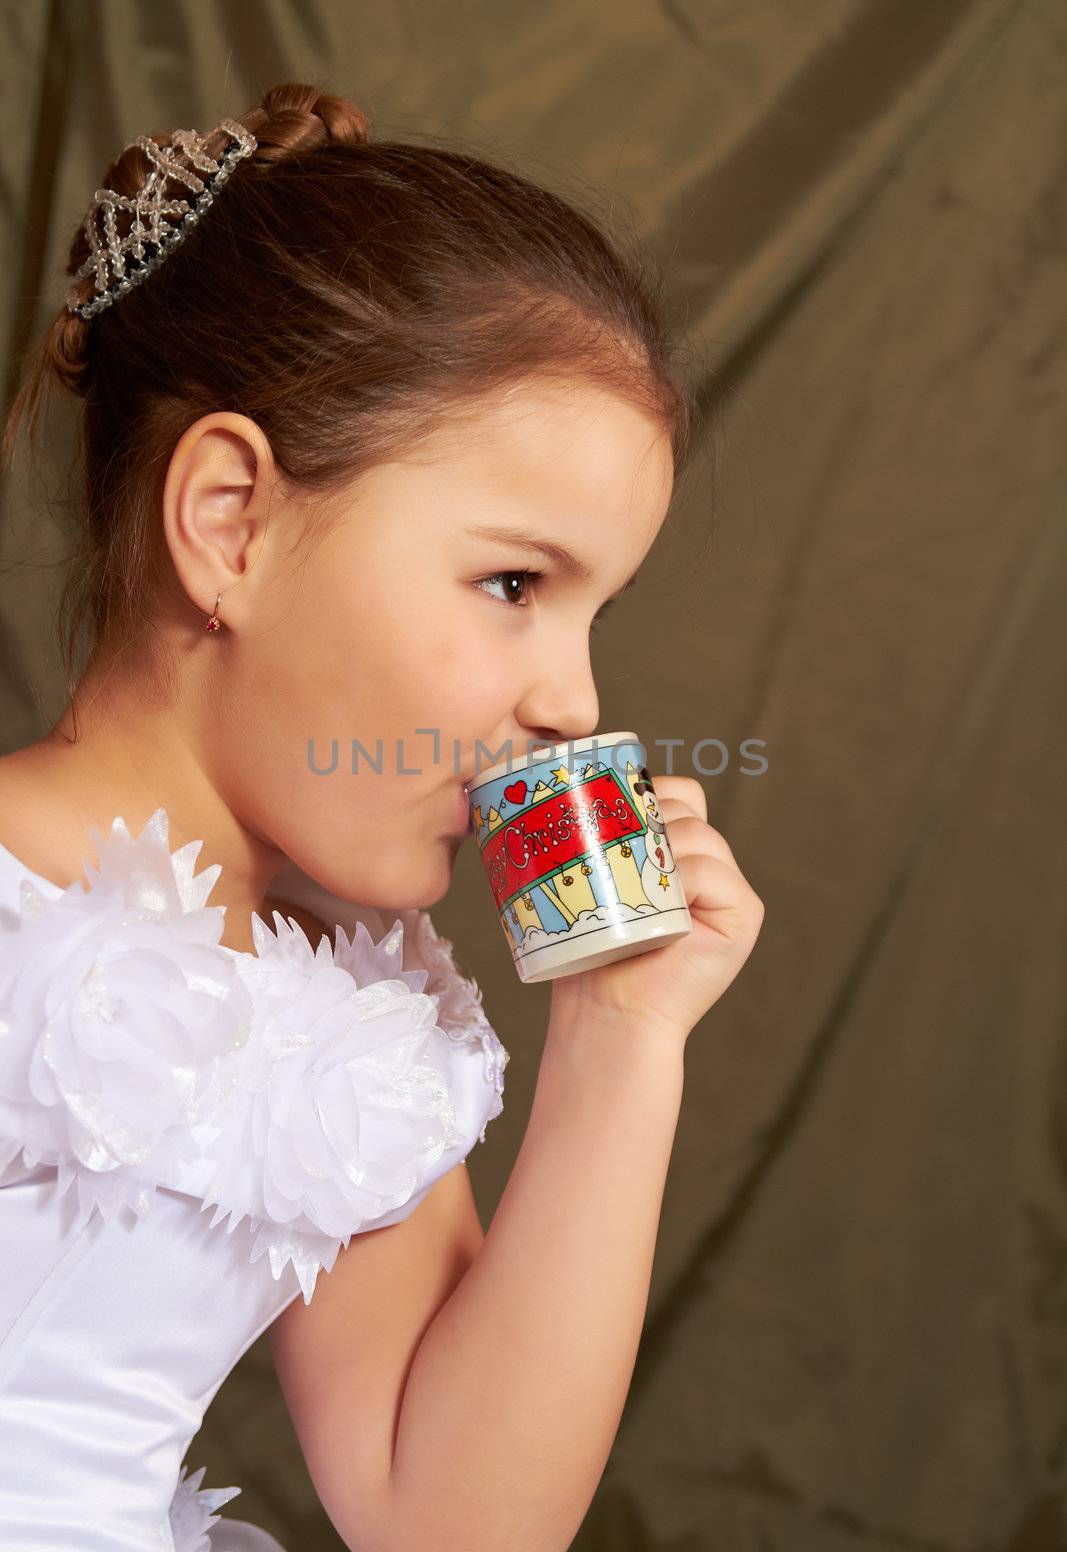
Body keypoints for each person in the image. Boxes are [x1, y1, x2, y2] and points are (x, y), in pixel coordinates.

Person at [0, 81, 764, 1551]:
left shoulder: (349, 1028)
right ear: (232, 522)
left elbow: (457, 1523)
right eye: (513, 585)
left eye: (594, 613)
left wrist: (623, 1043)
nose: (574, 705)